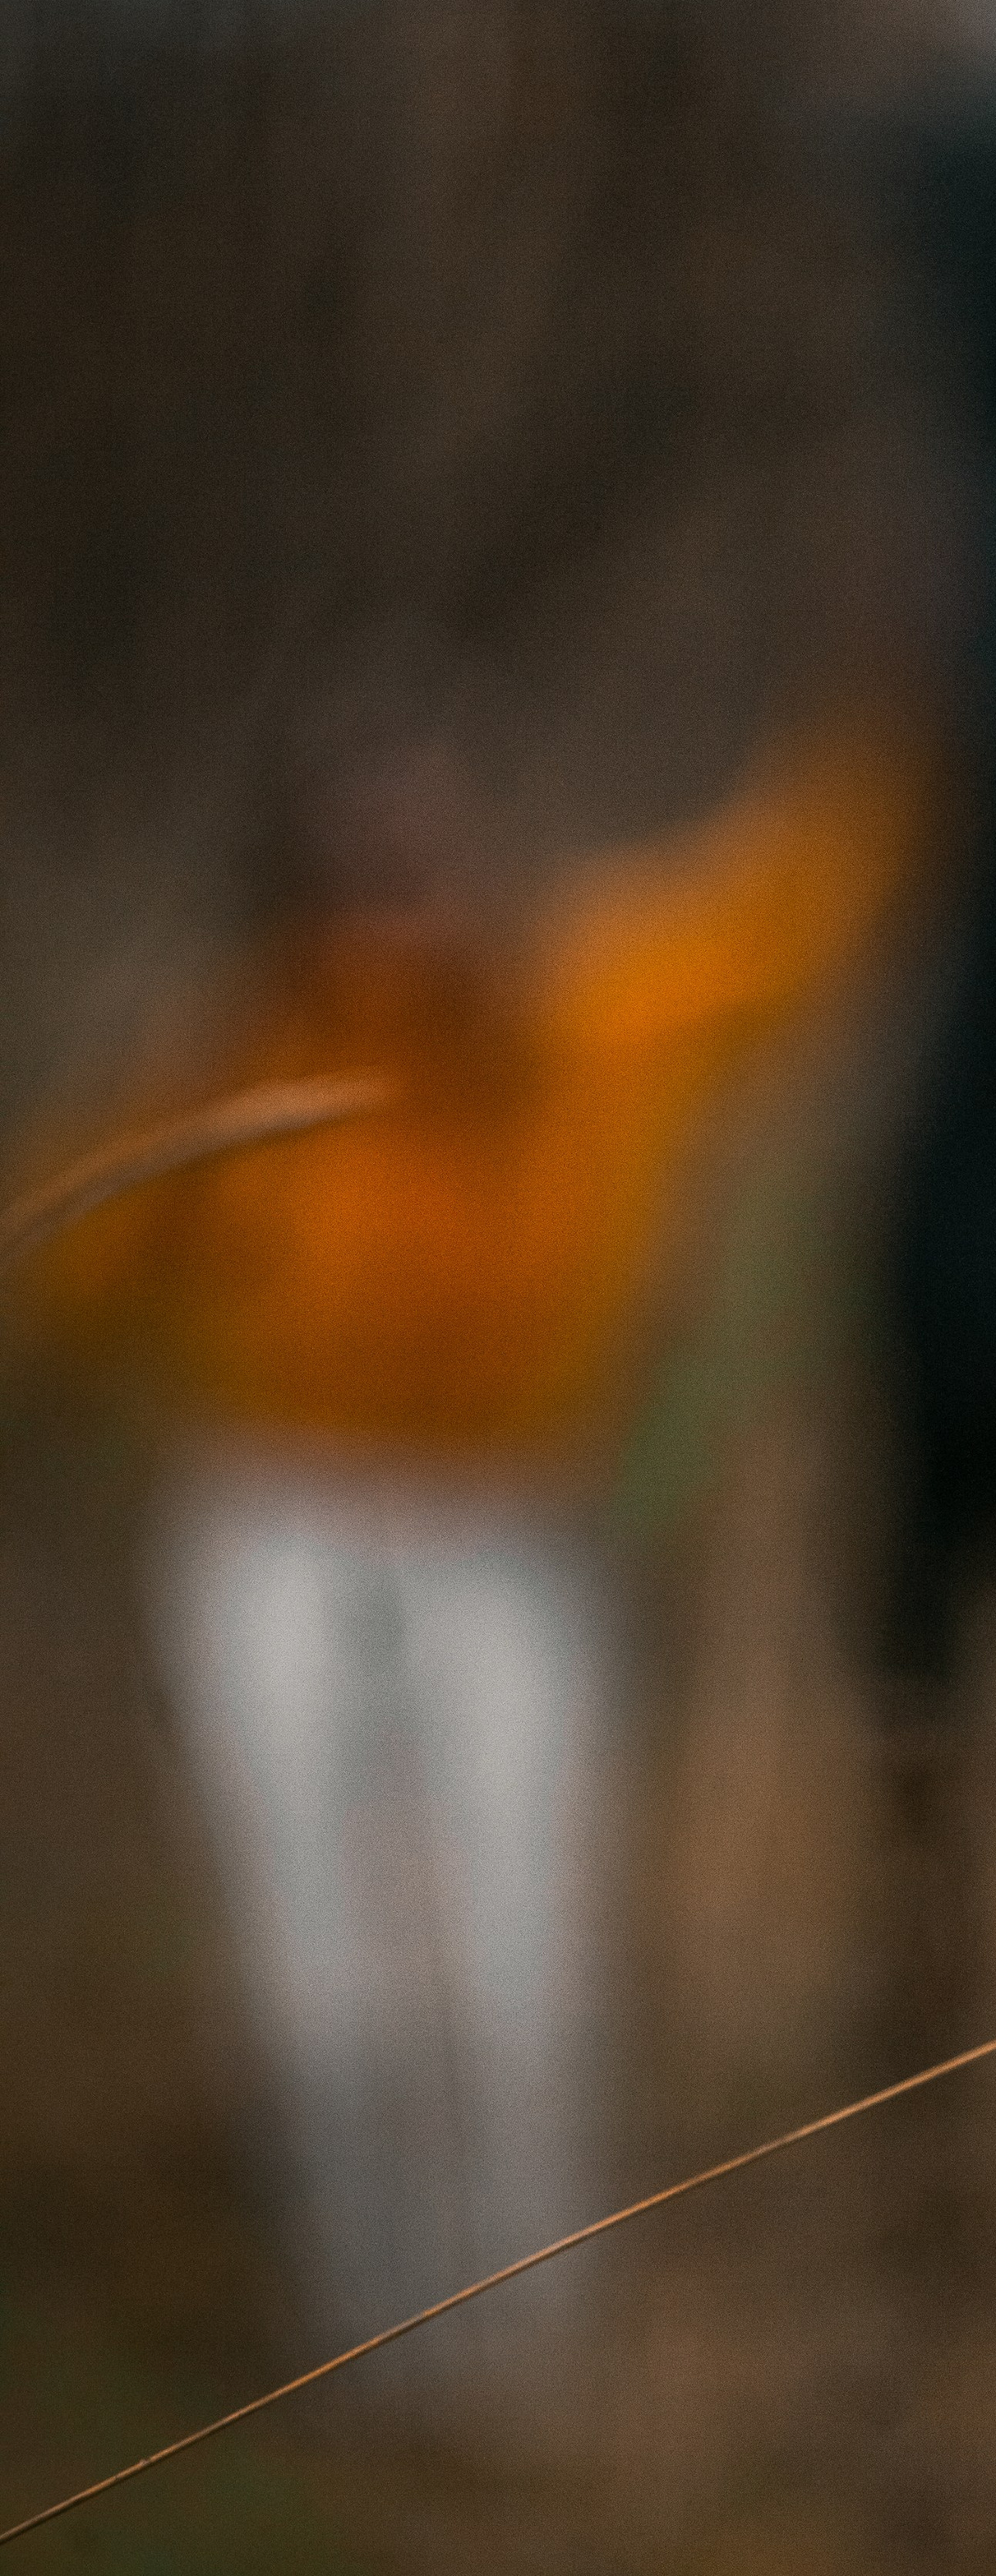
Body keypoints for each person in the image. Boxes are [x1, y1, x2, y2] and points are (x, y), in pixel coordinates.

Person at [22, 717, 926, 2396]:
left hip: (509, 1537)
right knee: (317, 1944)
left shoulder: (592, 1019)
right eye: (363, 876)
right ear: (298, 896)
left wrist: (939, 675)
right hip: (275, 1534)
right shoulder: (230, 1072)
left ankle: (521, 2354)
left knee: (522, 1930)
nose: (405, 910)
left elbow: (788, 909)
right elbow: (67, 1269)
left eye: (429, 863)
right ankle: (361, 2337)